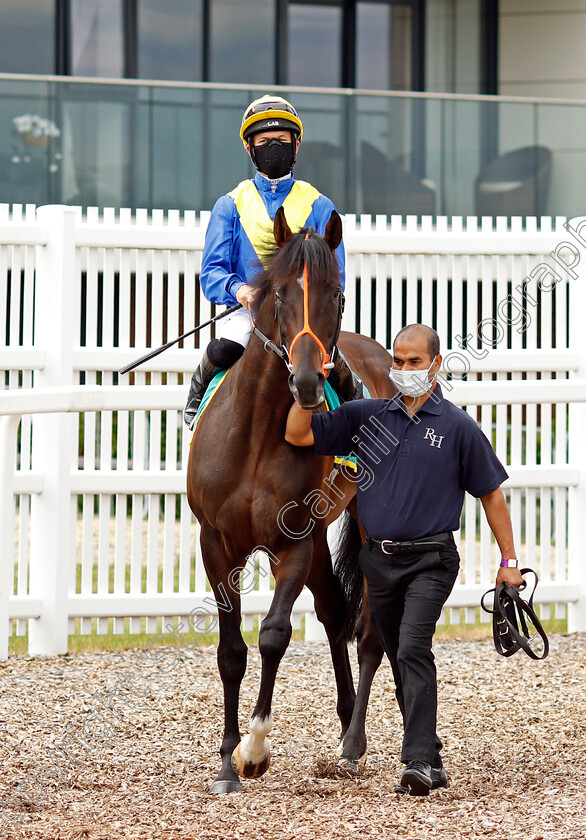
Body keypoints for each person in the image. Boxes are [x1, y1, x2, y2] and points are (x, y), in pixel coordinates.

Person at [284, 323, 523, 796]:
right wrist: (309, 387)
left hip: (431, 561)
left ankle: (415, 762)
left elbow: (492, 496)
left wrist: (508, 561)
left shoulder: (458, 427)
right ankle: (429, 752)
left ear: (435, 365)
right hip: (379, 561)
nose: (404, 369)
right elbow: (297, 435)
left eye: (414, 362)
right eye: (398, 361)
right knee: (397, 655)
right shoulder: (366, 416)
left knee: (413, 647)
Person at [184, 94, 362, 427]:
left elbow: (334, 274)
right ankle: (198, 399)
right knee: (225, 348)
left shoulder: (320, 205)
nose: (273, 148)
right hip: (249, 313)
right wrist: (240, 291)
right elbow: (211, 273)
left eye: (281, 141)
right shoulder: (230, 205)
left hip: (303, 314)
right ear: (250, 149)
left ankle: (359, 419)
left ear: (296, 146)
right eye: (264, 142)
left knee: (334, 363)